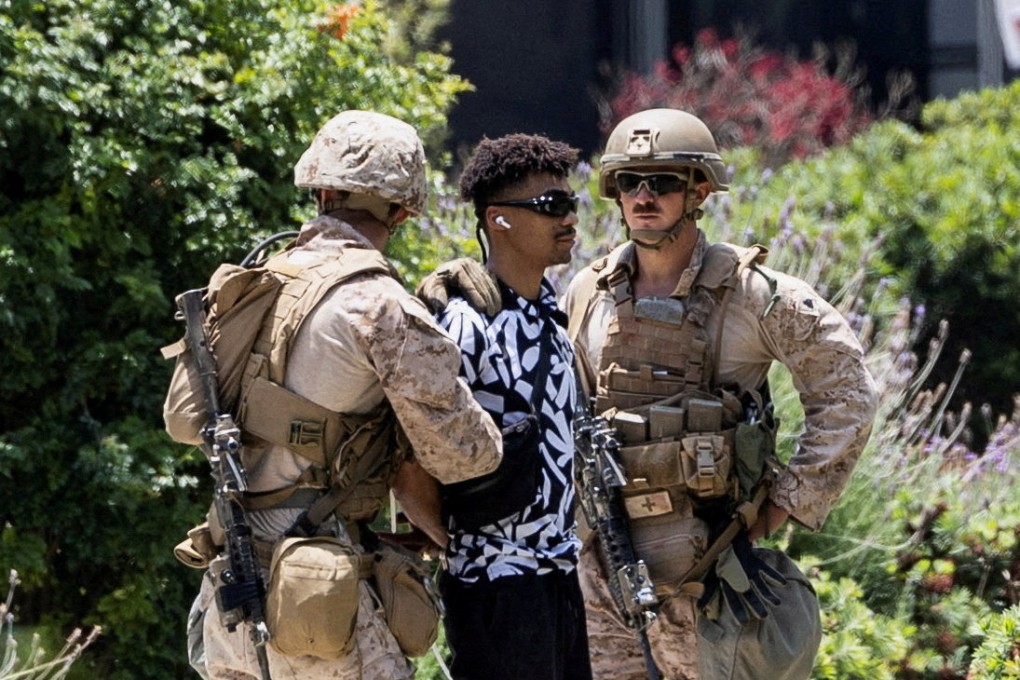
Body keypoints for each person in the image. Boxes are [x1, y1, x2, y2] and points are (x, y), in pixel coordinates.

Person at [418, 108, 878, 680]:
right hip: (603, 573)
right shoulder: (587, 290)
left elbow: (848, 394)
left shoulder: (753, 294)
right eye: (629, 183)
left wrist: (785, 504)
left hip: (710, 576)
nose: (643, 197)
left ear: (699, 190)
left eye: (662, 182)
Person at [177, 110, 503, 680]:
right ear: (402, 211)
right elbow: (465, 453)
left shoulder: (256, 280)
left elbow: (186, 421)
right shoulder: (379, 304)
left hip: (232, 582)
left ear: (321, 190)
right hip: (315, 596)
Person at [417, 133, 593, 680]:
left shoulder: (550, 315)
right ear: (499, 219)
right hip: (497, 590)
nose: (569, 219)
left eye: (571, 204)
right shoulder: (465, 323)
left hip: (558, 577)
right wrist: (471, 546)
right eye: (551, 206)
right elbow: (410, 465)